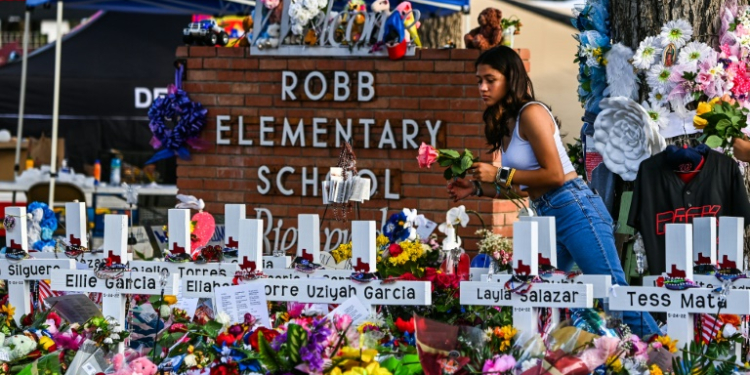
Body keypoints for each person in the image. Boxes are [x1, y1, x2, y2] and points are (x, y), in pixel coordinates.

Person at [446, 45, 661, 338]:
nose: (482, 87)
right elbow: (525, 187)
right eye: (478, 80)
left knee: (613, 294)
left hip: (574, 209)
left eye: (490, 79)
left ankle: (665, 357)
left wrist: (498, 172)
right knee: (537, 294)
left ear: (510, 78)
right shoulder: (506, 123)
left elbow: (555, 175)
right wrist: (478, 189)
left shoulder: (531, 113)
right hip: (547, 214)